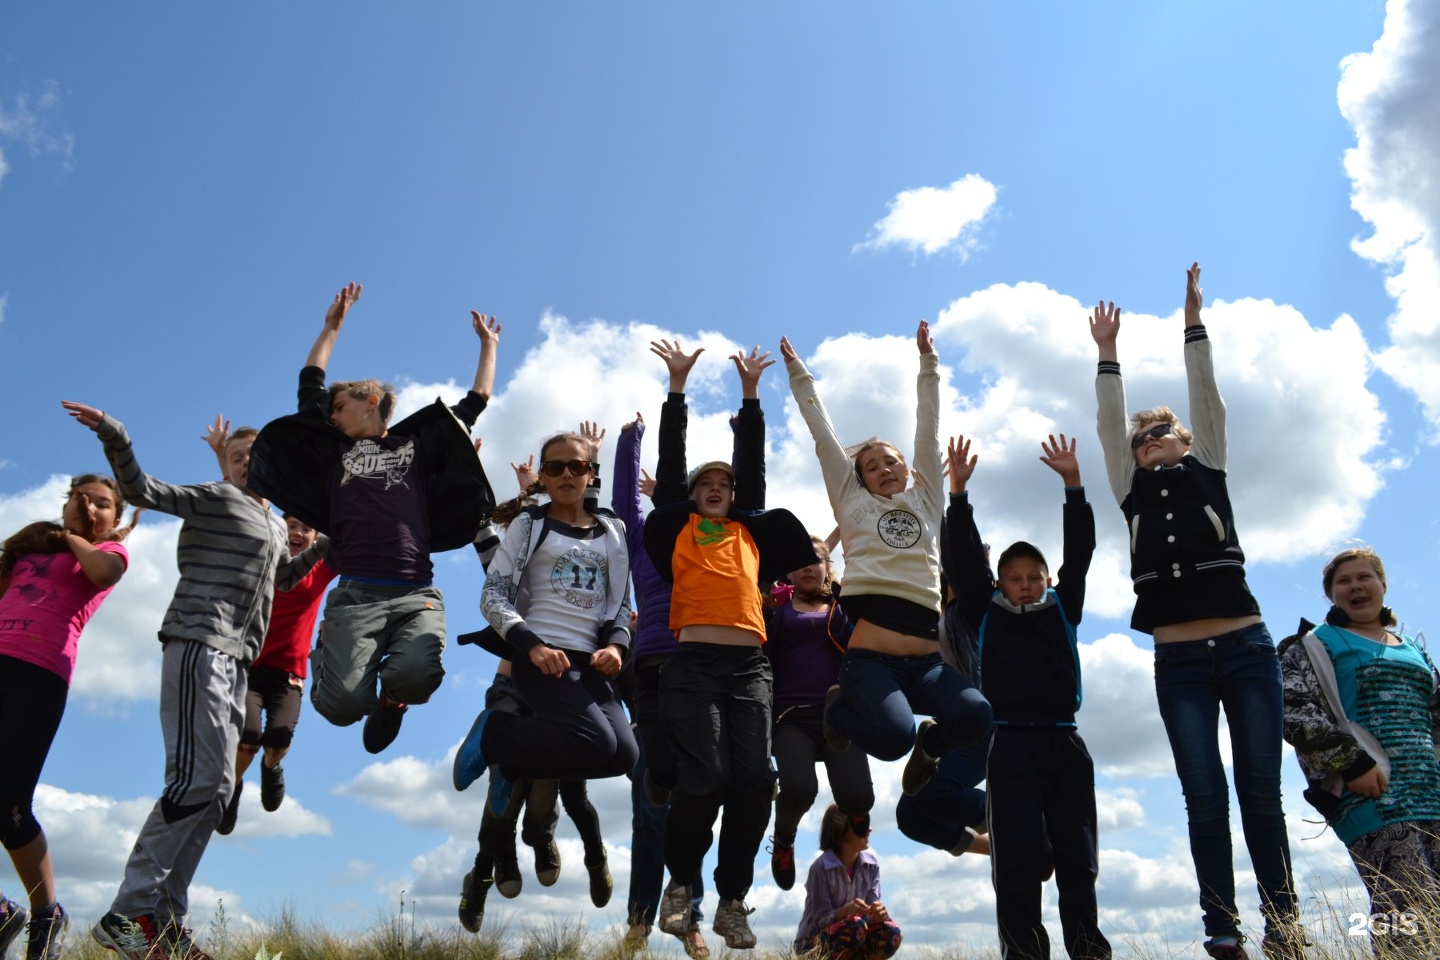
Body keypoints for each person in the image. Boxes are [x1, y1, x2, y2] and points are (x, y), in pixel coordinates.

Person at [1090, 263, 1301, 959]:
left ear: (1186, 440)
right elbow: (1109, 422)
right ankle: (1222, 928)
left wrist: (1193, 323)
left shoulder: (1209, 466)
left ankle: (1284, 925)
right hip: (1177, 662)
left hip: (1245, 651)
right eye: (1141, 440)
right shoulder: (1130, 492)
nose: (1150, 442)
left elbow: (1206, 397)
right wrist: (1107, 357)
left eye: (1162, 434)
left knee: (1260, 794)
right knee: (1205, 798)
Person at [63, 403, 322, 960]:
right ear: (226, 467)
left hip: (238, 660)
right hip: (199, 642)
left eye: (258, 455)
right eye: (238, 456)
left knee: (221, 789)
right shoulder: (216, 497)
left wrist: (333, 540)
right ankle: (126, 914)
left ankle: (165, 920)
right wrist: (117, 434)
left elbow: (286, 577)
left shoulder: (277, 526)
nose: (248, 462)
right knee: (195, 780)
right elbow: (143, 490)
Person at [247, 283, 499, 755]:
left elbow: (475, 401)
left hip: (413, 590)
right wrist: (331, 327)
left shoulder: (417, 446)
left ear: (371, 400)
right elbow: (311, 382)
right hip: (355, 595)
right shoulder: (332, 451)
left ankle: (393, 704)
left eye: (340, 408)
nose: (334, 416)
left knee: (417, 679)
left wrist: (489, 346)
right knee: (341, 707)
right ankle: (333, 654)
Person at [642, 340, 817, 950]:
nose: (717, 486)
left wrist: (751, 396)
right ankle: (682, 887)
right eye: (707, 482)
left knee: (752, 782)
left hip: (750, 667)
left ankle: (733, 898)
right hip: (691, 667)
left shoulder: (751, 532)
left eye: (725, 482)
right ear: (693, 495)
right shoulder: (678, 529)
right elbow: (671, 466)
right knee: (706, 779)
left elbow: (754, 465)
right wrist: (677, 391)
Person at [781, 323, 992, 797]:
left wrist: (929, 365)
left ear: (908, 467)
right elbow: (822, 435)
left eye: (891, 460)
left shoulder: (926, 500)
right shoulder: (853, 506)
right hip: (872, 661)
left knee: (977, 714)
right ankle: (841, 709)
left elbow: (928, 426)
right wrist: (799, 375)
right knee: (891, 739)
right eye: (872, 466)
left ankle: (931, 745)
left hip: (928, 665)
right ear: (860, 481)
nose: (884, 469)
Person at [951, 433, 1110, 960]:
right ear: (1000, 583)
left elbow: (1081, 554)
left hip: (1065, 743)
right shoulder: (986, 613)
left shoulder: (1064, 608)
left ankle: (1087, 948)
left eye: (1033, 577)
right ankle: (1023, 953)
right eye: (1013, 578)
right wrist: (958, 497)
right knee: (1016, 860)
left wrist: (1073, 486)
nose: (1024, 584)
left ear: (1046, 579)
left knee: (1077, 858)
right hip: (1010, 746)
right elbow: (963, 563)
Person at [453, 429, 637, 792]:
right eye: (555, 467)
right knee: (597, 741)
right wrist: (533, 646)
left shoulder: (613, 530)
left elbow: (621, 604)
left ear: (591, 473)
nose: (567, 474)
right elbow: (492, 595)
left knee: (624, 756)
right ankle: (494, 731)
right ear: (544, 478)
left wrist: (617, 646)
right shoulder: (529, 524)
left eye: (577, 465)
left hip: (593, 662)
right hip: (542, 658)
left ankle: (517, 765)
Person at [0, 474, 136, 960]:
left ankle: (45, 914)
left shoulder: (109, 554)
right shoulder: (27, 549)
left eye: (102, 504)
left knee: (9, 804)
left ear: (116, 521)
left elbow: (101, 573)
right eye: (81, 501)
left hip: (40, 675)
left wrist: (75, 535)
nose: (90, 508)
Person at [1280, 548, 1440, 958]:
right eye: (1343, 582)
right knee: (1404, 909)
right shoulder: (1315, 644)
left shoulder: (1414, 648)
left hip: (1432, 795)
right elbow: (1292, 709)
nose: (1355, 586)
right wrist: (1350, 764)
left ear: (1383, 584)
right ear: (1332, 595)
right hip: (1373, 795)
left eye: (1364, 577)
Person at [203, 415, 338, 834]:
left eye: (305, 528)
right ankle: (233, 787)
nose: (296, 532)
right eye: (290, 525)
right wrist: (222, 460)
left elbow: (349, 525)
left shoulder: (319, 568)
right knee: (246, 733)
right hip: (250, 666)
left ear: (316, 537)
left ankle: (272, 768)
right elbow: (242, 503)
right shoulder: (265, 555)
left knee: (277, 738)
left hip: (290, 675)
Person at [612, 414, 709, 959]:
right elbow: (628, 508)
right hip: (652, 682)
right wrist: (630, 444)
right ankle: (640, 926)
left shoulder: (717, 546)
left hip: (706, 686)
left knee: (698, 811)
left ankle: (689, 916)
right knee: (650, 817)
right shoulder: (646, 550)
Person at [765, 537, 873, 891]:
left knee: (858, 799)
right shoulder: (776, 609)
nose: (808, 566)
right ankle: (783, 841)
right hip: (791, 716)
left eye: (817, 560)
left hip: (838, 716)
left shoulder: (843, 607)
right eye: (800, 561)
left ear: (828, 567)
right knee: (799, 788)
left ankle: (856, 809)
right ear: (789, 572)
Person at [793, 804, 901, 960]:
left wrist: (879, 913)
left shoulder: (871, 865)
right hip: (812, 944)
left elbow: (872, 910)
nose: (869, 829)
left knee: (891, 932)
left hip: (856, 936)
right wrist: (843, 913)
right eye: (861, 824)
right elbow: (820, 920)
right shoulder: (820, 868)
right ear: (841, 830)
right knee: (854, 925)